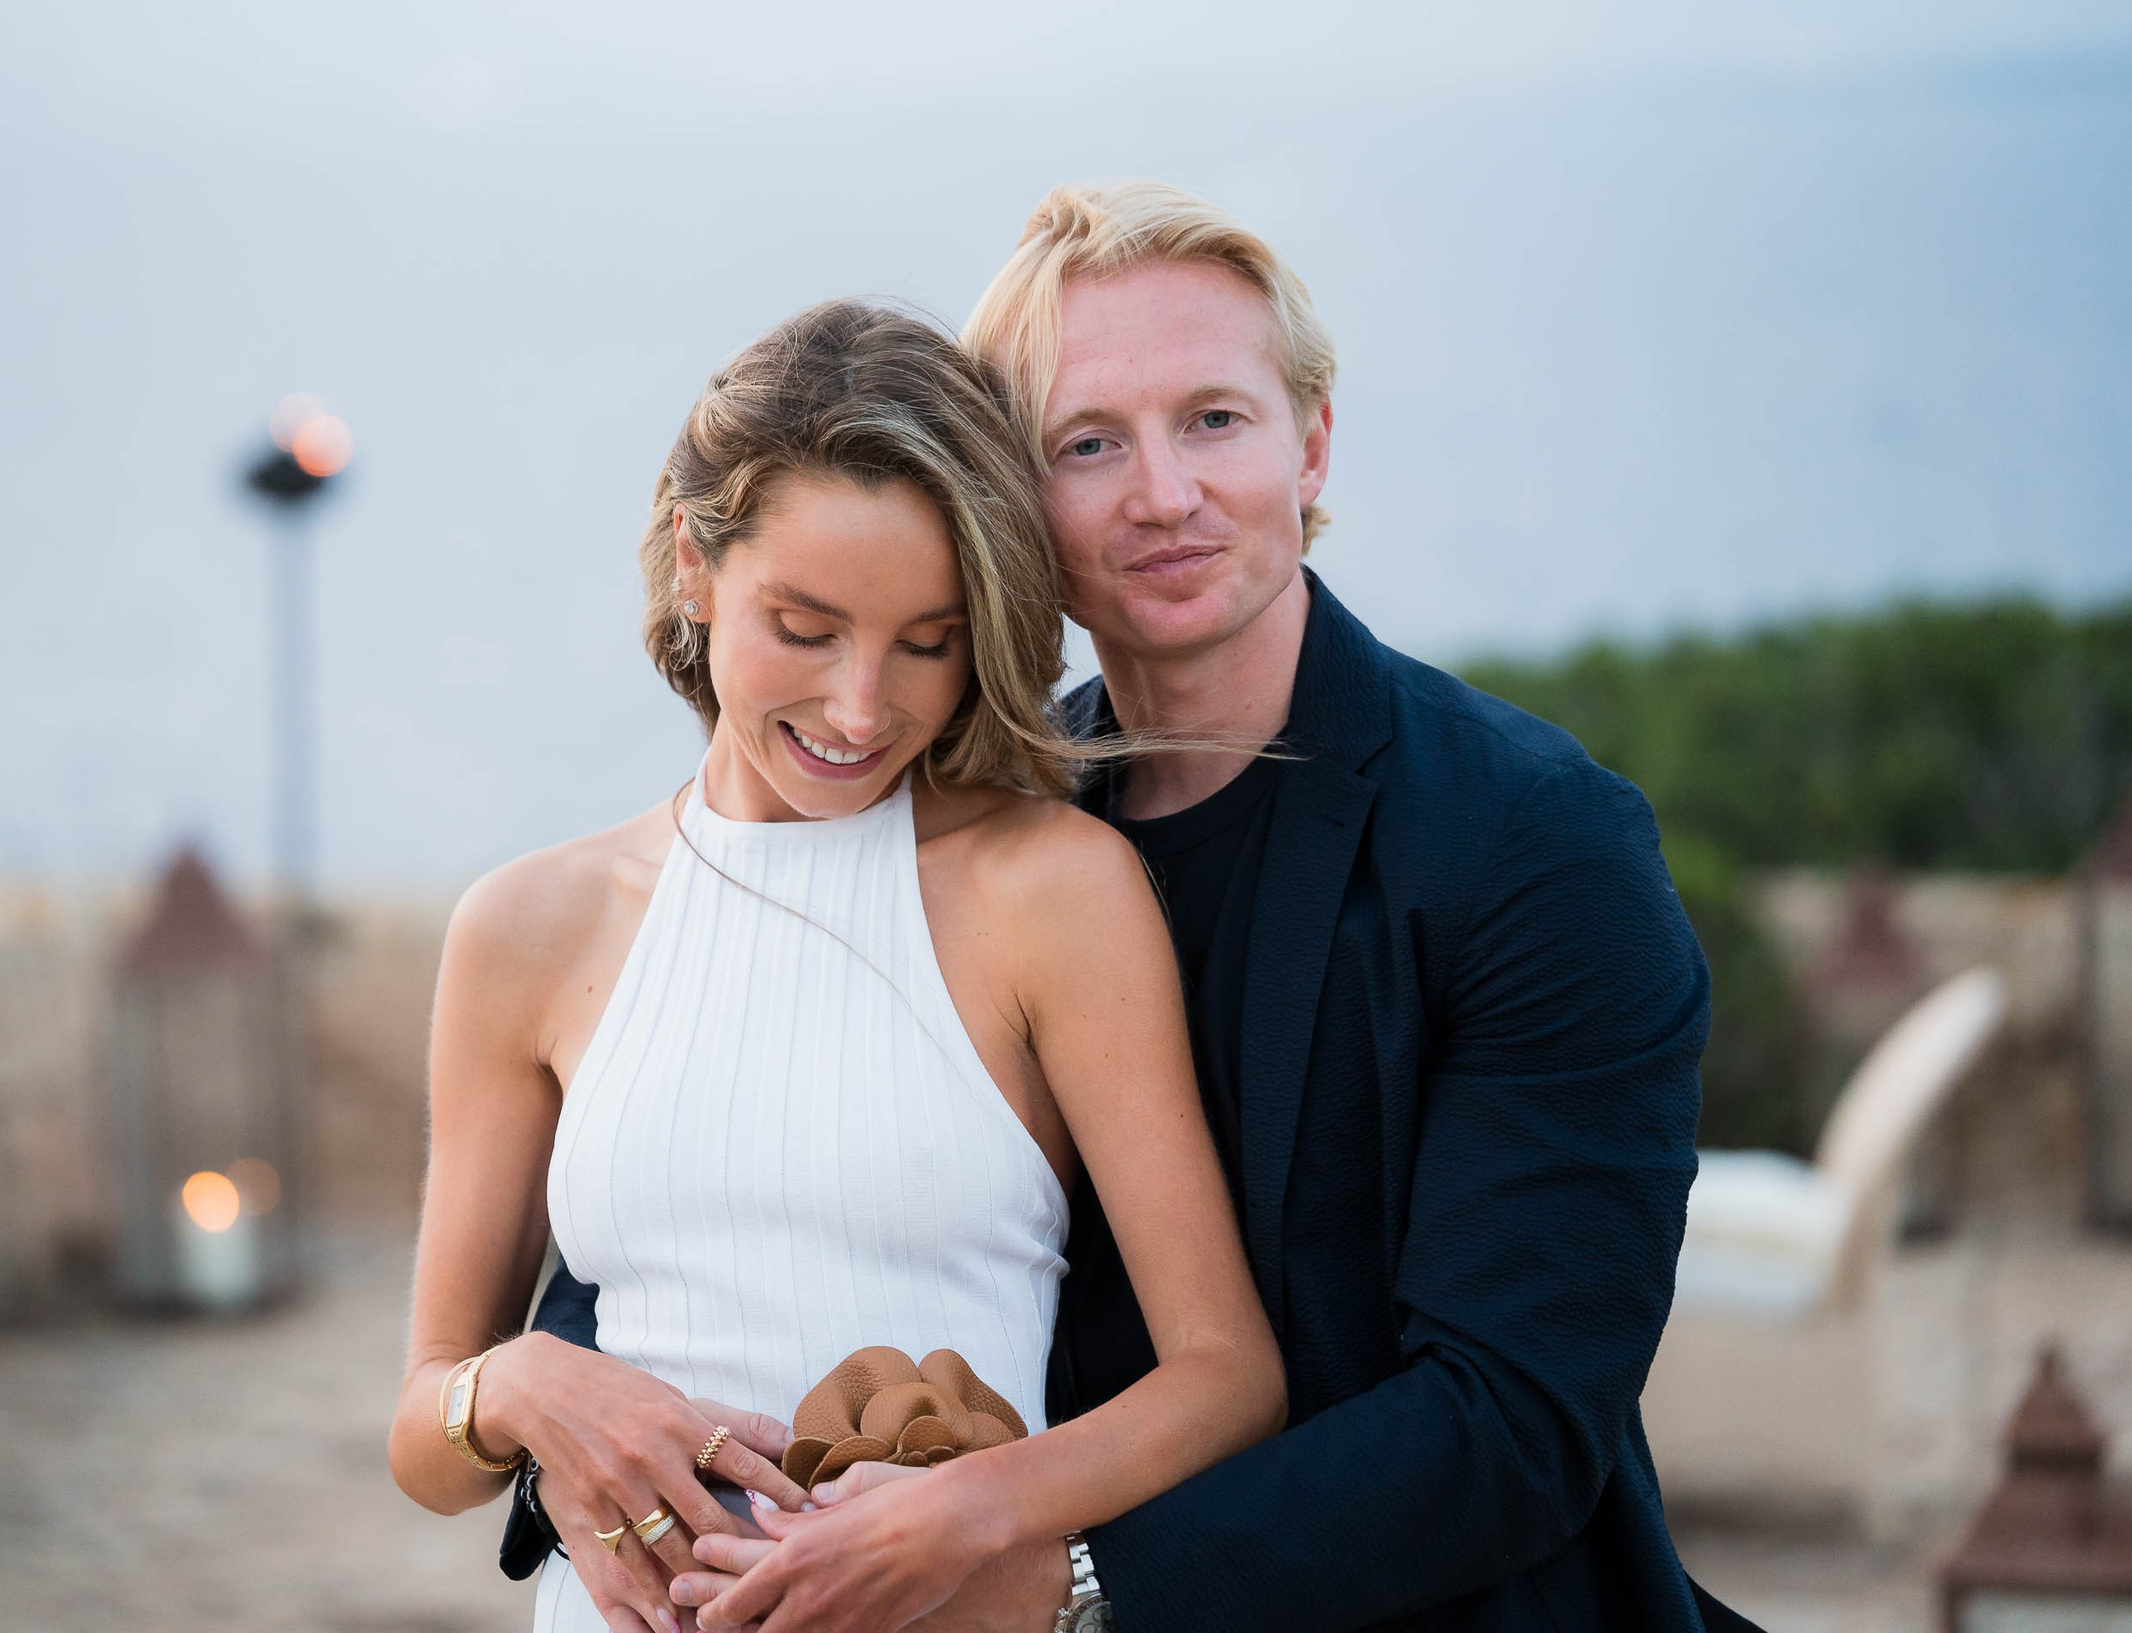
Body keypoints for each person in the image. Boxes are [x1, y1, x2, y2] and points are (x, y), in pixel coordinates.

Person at [514, 183, 1759, 1631]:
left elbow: (1514, 1423)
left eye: (1215, 420)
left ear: (1314, 440)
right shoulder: (962, 829)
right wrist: (560, 1434)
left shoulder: (1535, 843)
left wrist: (1069, 1589)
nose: (1163, 494)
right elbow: (713, 1171)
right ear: (1003, 505)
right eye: (1087, 444)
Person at [388, 298, 1289, 1633]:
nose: (863, 708)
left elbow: (1227, 1376)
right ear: (694, 566)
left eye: (927, 643)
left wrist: (980, 1513)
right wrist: (520, 1387)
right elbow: (426, 1446)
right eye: (804, 628)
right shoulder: (531, 928)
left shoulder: (1052, 893)